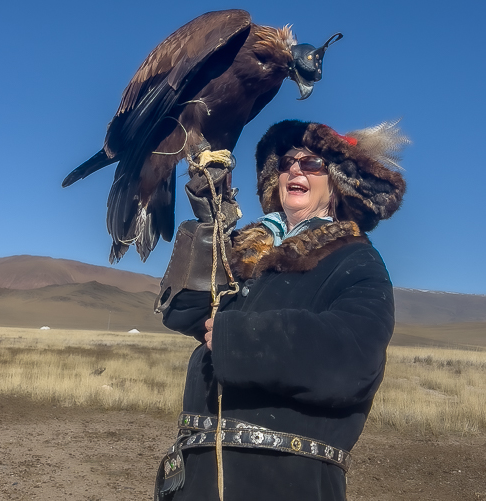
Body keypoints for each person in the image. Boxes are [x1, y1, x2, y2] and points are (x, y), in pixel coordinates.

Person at [154, 119, 409, 501]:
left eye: (311, 163)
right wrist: (211, 227)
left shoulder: (357, 261)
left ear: (337, 181)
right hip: (197, 479)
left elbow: (353, 355)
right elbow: (184, 311)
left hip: (284, 483)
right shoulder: (247, 253)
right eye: (288, 162)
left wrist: (237, 339)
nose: (294, 169)